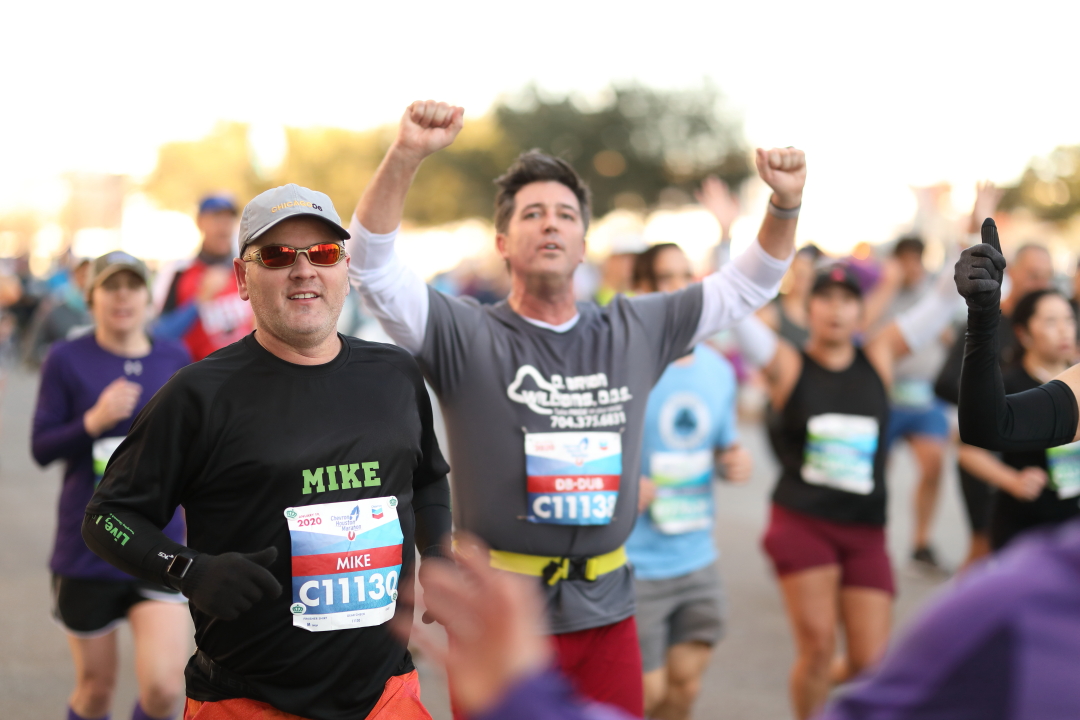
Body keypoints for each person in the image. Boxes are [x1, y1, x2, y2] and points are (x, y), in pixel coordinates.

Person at [350, 99, 806, 715]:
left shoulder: (637, 327)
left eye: (565, 214)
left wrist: (784, 204)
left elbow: (752, 282)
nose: (550, 224)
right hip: (505, 623)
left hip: (610, 610)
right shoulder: (464, 333)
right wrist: (405, 154)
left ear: (584, 242)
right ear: (504, 242)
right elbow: (372, 264)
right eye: (532, 214)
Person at [82, 185, 452, 720]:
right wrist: (186, 568)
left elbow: (429, 480)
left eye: (323, 253)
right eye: (277, 256)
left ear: (344, 268)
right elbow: (105, 518)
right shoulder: (199, 394)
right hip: (246, 701)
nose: (303, 270)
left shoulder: (394, 373)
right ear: (241, 280)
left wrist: (438, 554)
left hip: (386, 696)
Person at [734, 259, 958, 719]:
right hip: (803, 522)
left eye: (847, 301)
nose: (836, 311)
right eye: (825, 300)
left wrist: (969, 242)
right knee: (816, 646)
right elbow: (735, 313)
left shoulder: (878, 356)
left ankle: (825, 690)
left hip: (865, 530)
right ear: (808, 309)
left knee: (869, 663)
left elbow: (940, 301)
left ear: (862, 311)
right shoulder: (789, 363)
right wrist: (725, 244)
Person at [32, 251, 192, 720]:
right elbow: (42, 447)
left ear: (148, 297)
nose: (123, 296)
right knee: (96, 691)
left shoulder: (174, 357)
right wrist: (91, 421)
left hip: (162, 543)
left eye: (133, 285)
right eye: (110, 286)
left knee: (165, 689)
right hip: (88, 550)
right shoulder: (66, 359)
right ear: (91, 297)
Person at [624, 243, 752, 720]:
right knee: (646, 696)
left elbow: (723, 444)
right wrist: (619, 490)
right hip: (635, 563)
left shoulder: (718, 370)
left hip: (697, 557)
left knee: (685, 686)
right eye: (665, 277)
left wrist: (735, 460)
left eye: (685, 276)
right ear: (642, 290)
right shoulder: (624, 368)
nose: (679, 288)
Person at [935, 182, 1054, 567]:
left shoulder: (1056, 325)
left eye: (1047, 276)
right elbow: (945, 383)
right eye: (1033, 276)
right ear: (1013, 272)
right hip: (987, 450)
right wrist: (994, 399)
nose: (1041, 285)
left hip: (1036, 457)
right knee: (985, 548)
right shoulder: (987, 314)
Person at [956, 289, 1080, 550]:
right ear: (1023, 333)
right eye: (1050, 321)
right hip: (1025, 526)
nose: (1064, 330)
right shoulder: (1009, 385)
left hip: (1071, 522)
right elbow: (967, 451)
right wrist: (1012, 480)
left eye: (1069, 319)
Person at [864, 236, 952, 571]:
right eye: (905, 259)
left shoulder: (933, 291)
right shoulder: (882, 291)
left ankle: (921, 542)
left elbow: (948, 323)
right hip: (886, 397)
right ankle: (873, 538)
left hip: (925, 398)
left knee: (933, 464)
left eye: (916, 258)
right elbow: (863, 324)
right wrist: (889, 285)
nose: (911, 266)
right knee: (875, 472)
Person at [154, 194, 254, 360]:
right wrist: (199, 301)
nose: (224, 227)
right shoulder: (179, 272)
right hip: (197, 376)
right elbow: (160, 335)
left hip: (245, 374)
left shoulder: (249, 270)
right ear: (200, 222)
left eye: (229, 219)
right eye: (216, 218)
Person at [757, 244, 823, 347]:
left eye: (807, 277)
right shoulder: (771, 312)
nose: (801, 281)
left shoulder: (821, 313)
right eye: (799, 275)